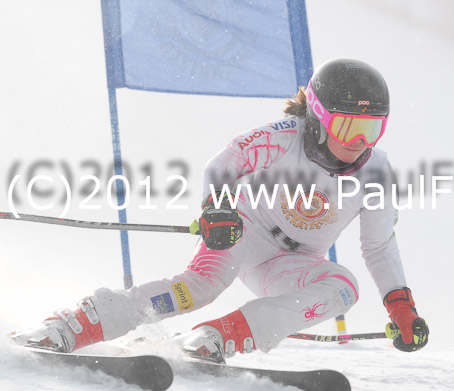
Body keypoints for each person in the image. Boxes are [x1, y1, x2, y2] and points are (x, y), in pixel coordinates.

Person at [10, 58, 429, 362]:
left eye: (372, 128)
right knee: (200, 288)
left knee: (343, 287)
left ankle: (218, 337)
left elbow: (378, 246)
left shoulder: (377, 172)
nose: (359, 141)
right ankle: (72, 326)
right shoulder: (286, 136)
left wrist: (400, 307)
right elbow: (222, 165)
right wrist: (219, 209)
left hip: (293, 262)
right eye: (347, 126)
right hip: (242, 230)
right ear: (318, 118)